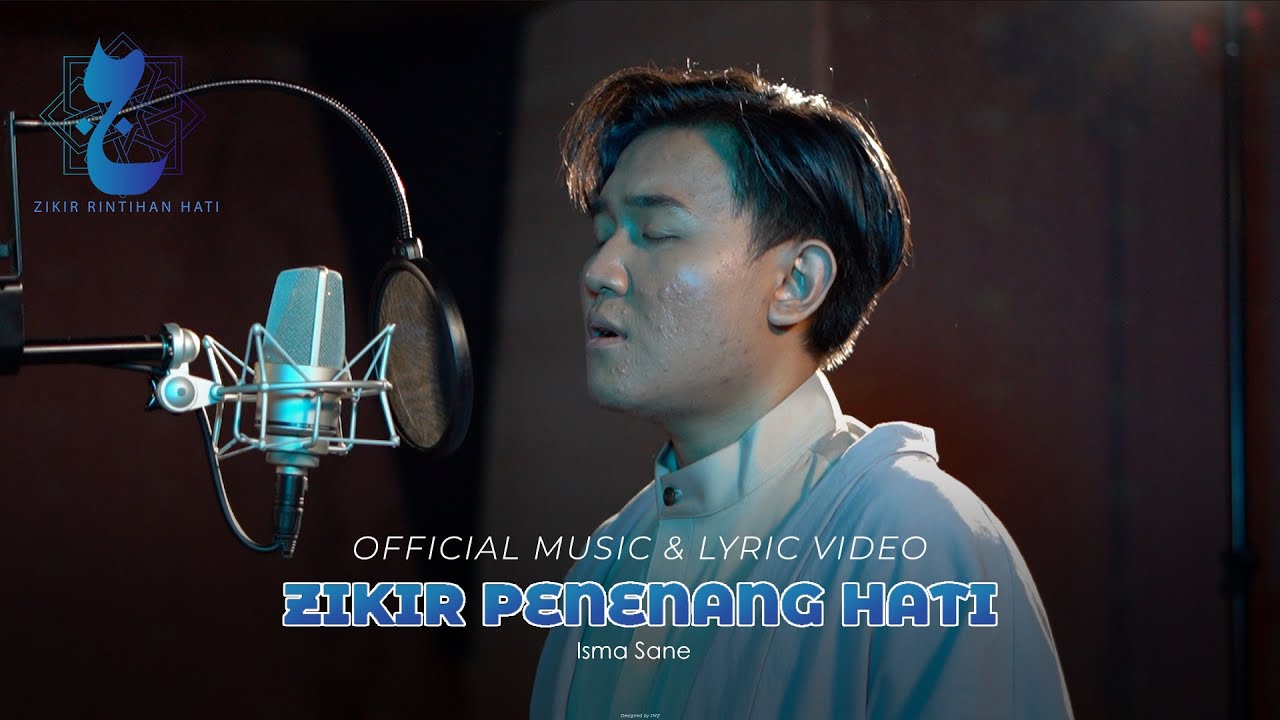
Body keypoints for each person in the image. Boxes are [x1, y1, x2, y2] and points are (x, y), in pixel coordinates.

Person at [531, 66, 1073, 719]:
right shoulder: (606, 561)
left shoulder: (917, 537)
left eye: (657, 233)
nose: (598, 271)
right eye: (603, 235)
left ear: (796, 283)